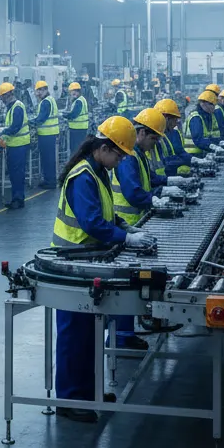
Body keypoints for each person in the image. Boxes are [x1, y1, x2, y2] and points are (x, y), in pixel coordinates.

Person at [52, 116, 156, 423]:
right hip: (71, 264)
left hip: (90, 261)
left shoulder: (98, 170)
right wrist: (126, 238)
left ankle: (90, 392)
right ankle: (69, 399)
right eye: (119, 154)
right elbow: (92, 224)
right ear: (103, 148)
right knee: (74, 335)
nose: (121, 160)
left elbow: (106, 215)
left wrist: (126, 227)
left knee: (91, 333)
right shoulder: (83, 176)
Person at [109, 108, 168, 351]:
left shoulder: (139, 154)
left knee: (132, 282)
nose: (154, 144)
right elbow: (133, 193)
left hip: (135, 224)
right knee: (126, 283)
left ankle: (127, 331)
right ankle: (121, 336)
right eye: (153, 138)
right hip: (125, 226)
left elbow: (149, 179)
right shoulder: (129, 157)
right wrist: (153, 199)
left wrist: (168, 184)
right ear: (141, 132)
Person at [0, 82, 29, 210]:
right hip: (14, 145)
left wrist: (1, 131)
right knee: (14, 174)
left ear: (8, 95)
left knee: (17, 174)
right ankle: (16, 198)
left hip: (19, 145)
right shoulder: (12, 107)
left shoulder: (17, 107)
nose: (1, 100)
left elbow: (15, 127)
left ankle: (18, 200)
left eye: (2, 97)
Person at [154, 98, 193, 177]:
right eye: (175, 120)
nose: (176, 124)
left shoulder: (174, 133)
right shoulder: (154, 138)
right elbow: (164, 161)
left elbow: (181, 152)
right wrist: (182, 161)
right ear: (167, 119)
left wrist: (193, 160)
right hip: (160, 180)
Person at [34, 80, 59, 189]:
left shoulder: (45, 102)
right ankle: (50, 179)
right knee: (49, 158)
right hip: (50, 134)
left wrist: (30, 122)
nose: (38, 93)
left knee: (47, 159)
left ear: (45, 90)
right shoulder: (50, 99)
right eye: (37, 91)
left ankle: (50, 181)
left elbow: (41, 119)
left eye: (40, 91)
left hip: (46, 135)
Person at [184, 90, 219, 157]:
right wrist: (212, 146)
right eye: (212, 104)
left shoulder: (208, 116)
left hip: (202, 153)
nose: (214, 107)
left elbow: (210, 136)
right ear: (203, 103)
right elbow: (198, 140)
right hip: (193, 155)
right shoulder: (195, 118)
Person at [66, 81, 89, 152]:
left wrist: (65, 116)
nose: (74, 93)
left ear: (79, 92)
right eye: (72, 91)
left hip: (77, 129)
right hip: (81, 128)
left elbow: (74, 114)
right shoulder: (81, 99)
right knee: (80, 148)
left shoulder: (79, 101)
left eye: (76, 91)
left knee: (76, 149)